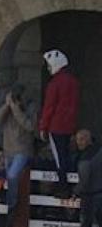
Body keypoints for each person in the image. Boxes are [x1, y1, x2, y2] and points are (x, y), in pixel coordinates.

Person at [40, 49, 80, 198]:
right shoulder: (74, 82)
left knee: (59, 158)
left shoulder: (54, 84)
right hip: (70, 125)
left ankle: (63, 188)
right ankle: (70, 186)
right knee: (67, 155)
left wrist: (43, 127)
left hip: (56, 126)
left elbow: (49, 107)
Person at [0, 84, 36, 213]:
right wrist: (6, 106)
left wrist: (15, 108)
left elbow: (29, 126)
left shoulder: (30, 108)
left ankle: (11, 205)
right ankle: (11, 204)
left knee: (12, 175)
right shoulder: (8, 109)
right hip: (8, 150)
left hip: (23, 151)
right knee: (9, 177)